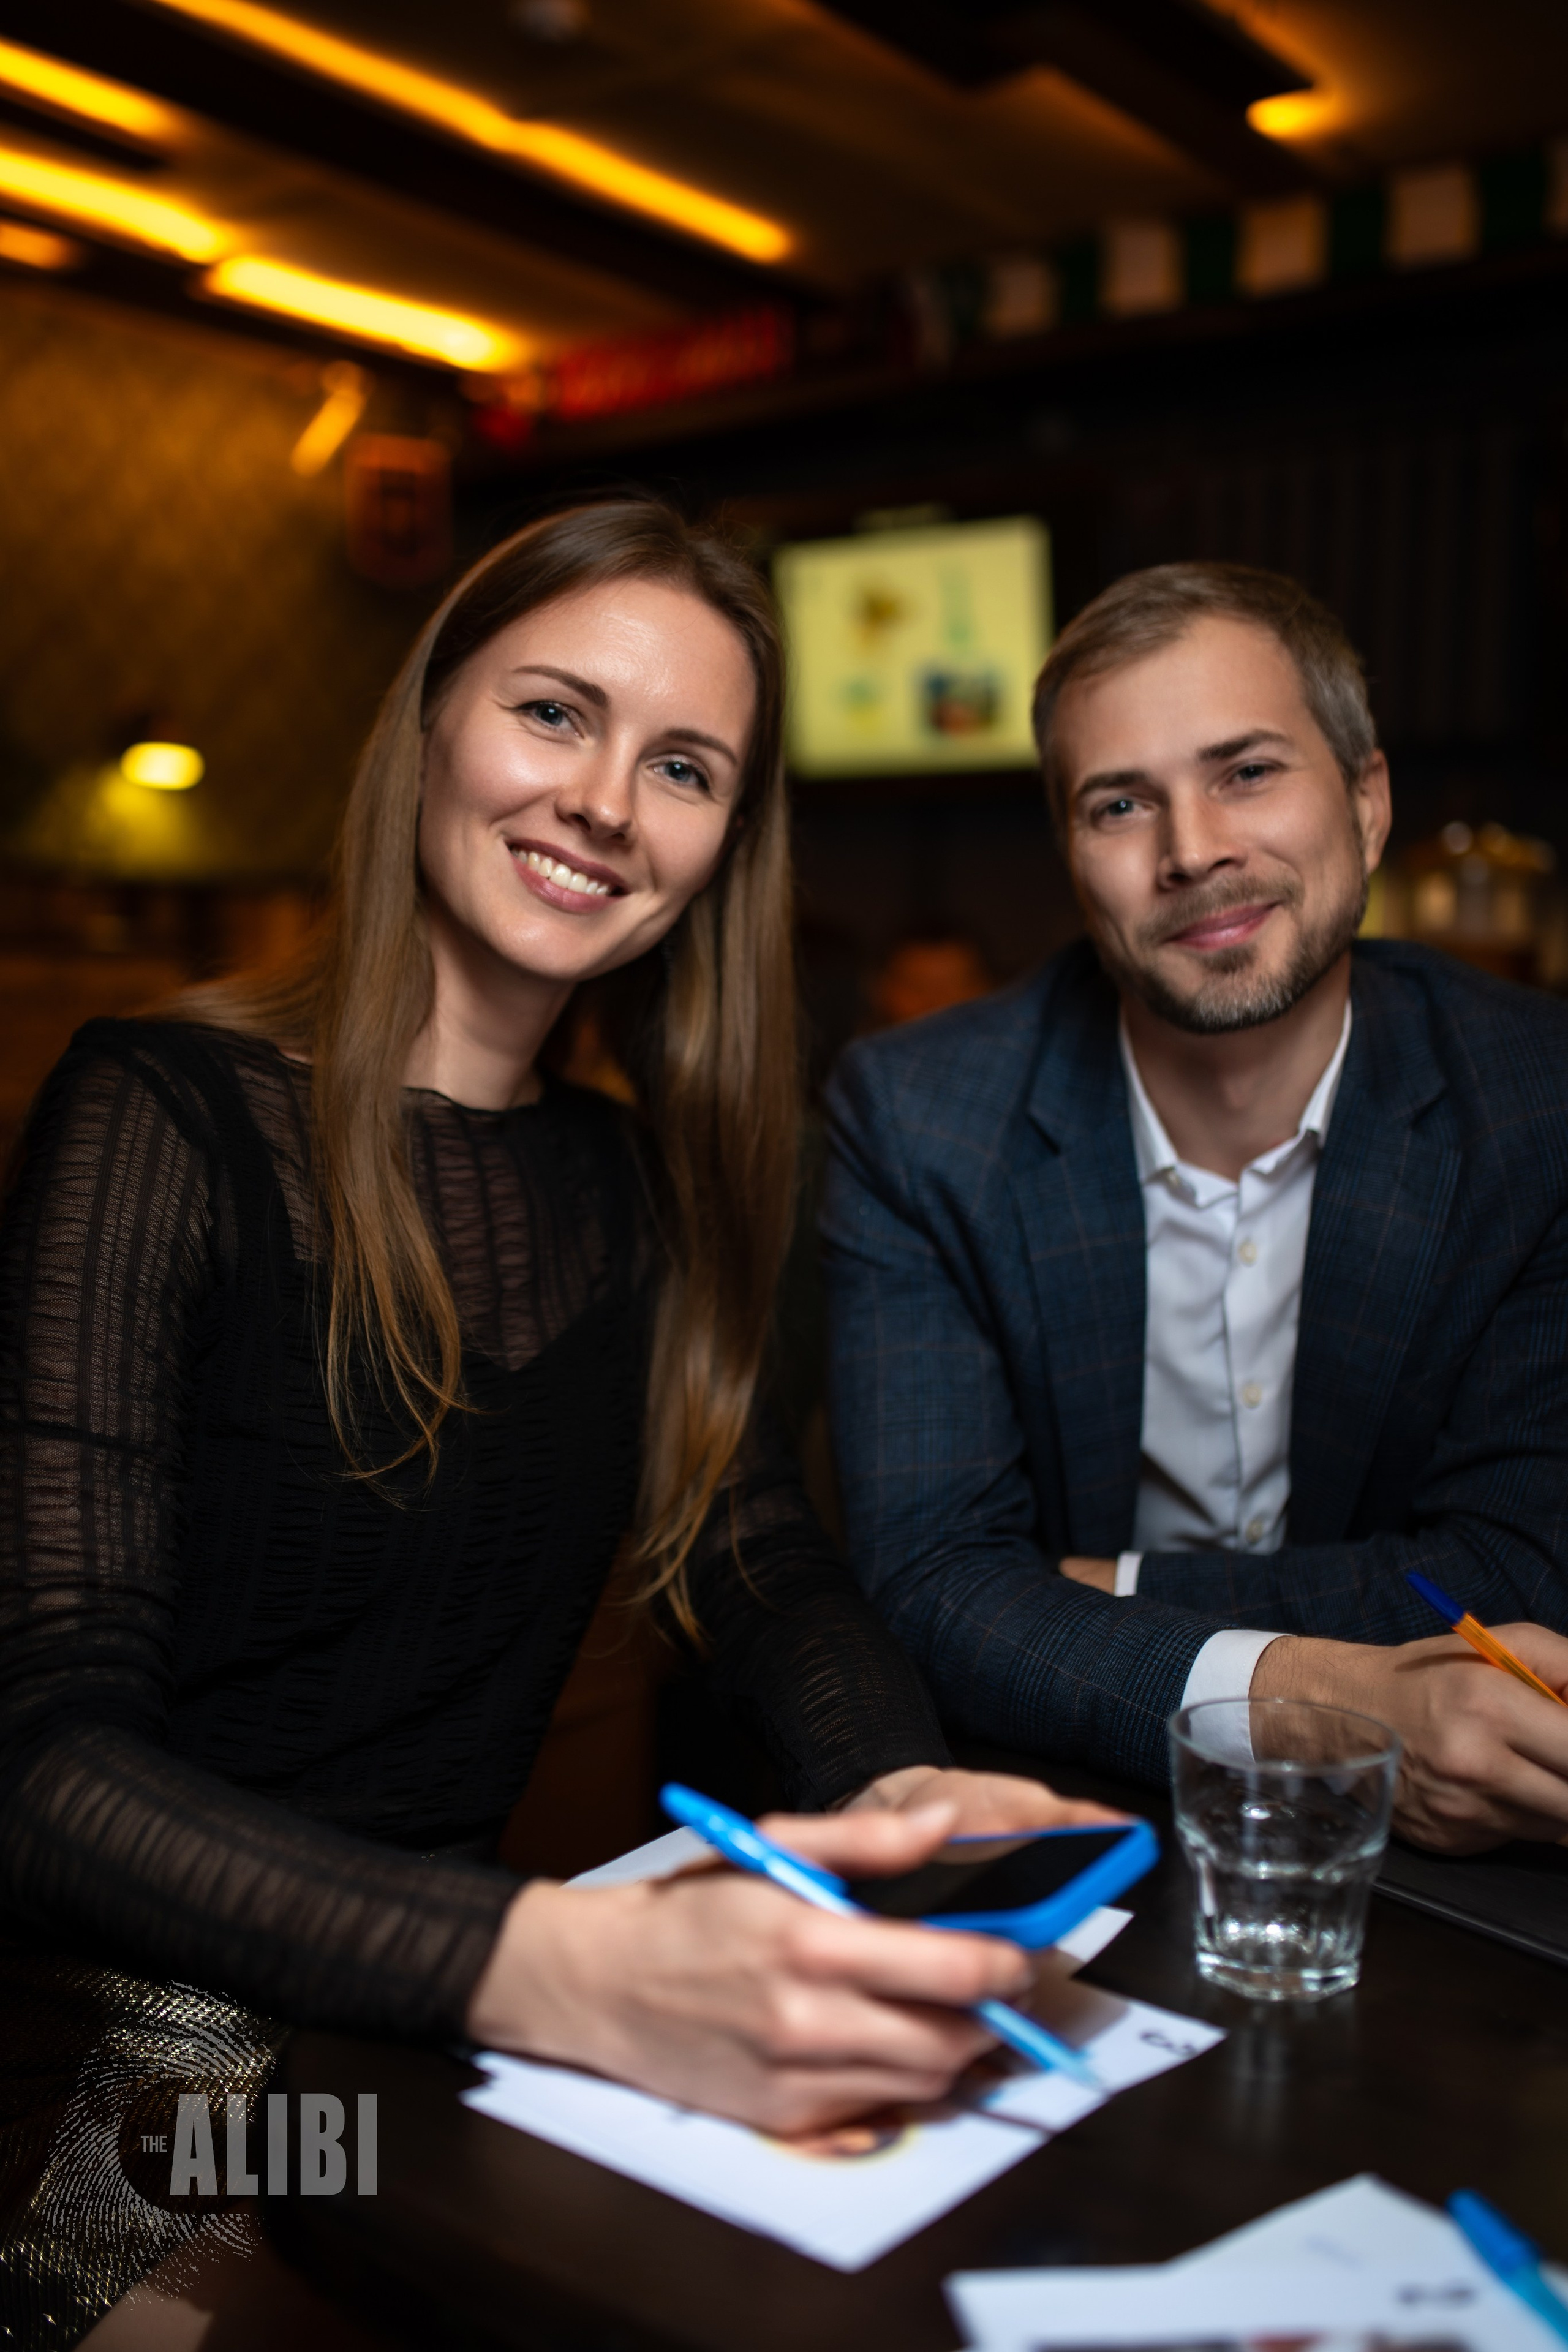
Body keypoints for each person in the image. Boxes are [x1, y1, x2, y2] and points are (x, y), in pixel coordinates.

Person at [0, 502, 1112, 2346]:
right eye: (555, 714)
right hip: (126, 2054)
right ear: (433, 722)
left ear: (719, 847)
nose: (606, 801)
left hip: (425, 2031)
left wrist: (893, 1789)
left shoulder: (642, 1184)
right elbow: (38, 1760)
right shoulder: (162, 1111)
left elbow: (754, 1563)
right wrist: (564, 1963)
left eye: (681, 765)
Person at [823, 560, 1568, 1858]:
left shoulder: (1535, 1104)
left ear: (1367, 801)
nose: (1191, 850)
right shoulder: (917, 1118)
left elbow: (1519, 1571)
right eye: (1120, 803)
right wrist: (1316, 1694)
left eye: (1245, 771)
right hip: (1069, 1811)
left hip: (1458, 1845)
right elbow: (930, 1592)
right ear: (1068, 857)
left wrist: (1102, 1589)